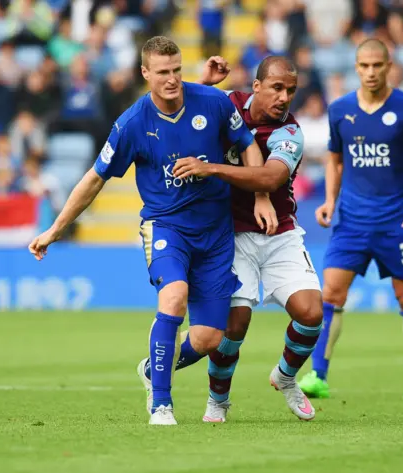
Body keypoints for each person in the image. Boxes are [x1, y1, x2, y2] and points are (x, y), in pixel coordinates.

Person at [28, 36, 271, 425]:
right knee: (174, 296)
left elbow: (247, 144)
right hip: (166, 227)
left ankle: (151, 368)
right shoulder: (132, 124)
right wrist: (56, 228)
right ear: (145, 73)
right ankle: (162, 403)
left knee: (209, 338)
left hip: (215, 232)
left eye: (176, 70)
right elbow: (94, 179)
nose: (172, 80)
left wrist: (261, 194)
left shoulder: (212, 102)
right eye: (162, 73)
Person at [143, 55, 324, 423]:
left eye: (291, 91)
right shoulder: (228, 106)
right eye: (276, 88)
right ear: (256, 86)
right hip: (231, 233)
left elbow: (269, 178)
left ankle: (285, 377)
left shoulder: (290, 132)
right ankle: (217, 400)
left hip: (280, 232)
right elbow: (184, 105)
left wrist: (209, 167)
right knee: (234, 325)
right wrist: (205, 81)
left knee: (311, 315)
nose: (284, 97)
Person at [297, 39, 403, 400]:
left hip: (398, 221)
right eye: (364, 66)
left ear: (389, 65)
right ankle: (319, 376)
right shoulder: (340, 109)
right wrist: (330, 200)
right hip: (352, 222)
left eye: (377, 65)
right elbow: (335, 159)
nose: (371, 72)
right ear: (355, 68)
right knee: (329, 292)